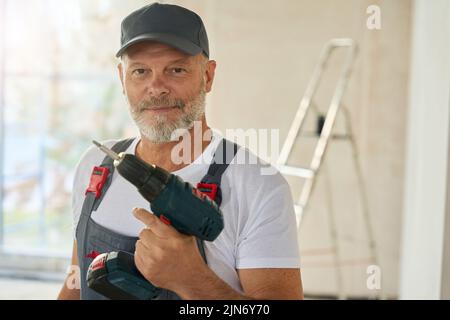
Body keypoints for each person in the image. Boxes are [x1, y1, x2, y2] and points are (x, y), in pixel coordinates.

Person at [57, 2, 303, 300]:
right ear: (122, 79)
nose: (157, 87)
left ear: (208, 76)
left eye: (176, 69)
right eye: (140, 71)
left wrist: (193, 281)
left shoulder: (259, 186)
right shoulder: (95, 166)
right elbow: (75, 286)